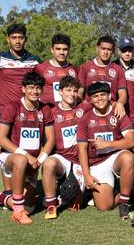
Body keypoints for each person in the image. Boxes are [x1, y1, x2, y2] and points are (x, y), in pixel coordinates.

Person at [0, 72, 55, 225]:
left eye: (38, 88)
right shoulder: (13, 106)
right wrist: (27, 155)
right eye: (31, 88)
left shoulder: (44, 110)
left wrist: (40, 159)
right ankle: (18, 212)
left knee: (30, 207)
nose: (35, 91)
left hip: (32, 162)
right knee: (20, 160)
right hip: (10, 157)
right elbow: (0, 138)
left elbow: (51, 139)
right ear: (23, 89)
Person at [76, 82, 134, 219]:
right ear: (90, 99)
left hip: (115, 157)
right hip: (97, 163)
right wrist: (87, 176)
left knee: (128, 157)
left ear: (109, 96)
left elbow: (131, 141)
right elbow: (82, 149)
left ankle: (124, 203)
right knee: (104, 207)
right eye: (95, 96)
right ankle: (122, 191)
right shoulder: (85, 119)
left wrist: (108, 144)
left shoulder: (118, 113)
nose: (100, 98)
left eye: (103, 95)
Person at [40, 76, 87, 219]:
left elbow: (103, 103)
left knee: (75, 205)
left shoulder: (84, 107)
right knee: (48, 163)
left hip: (80, 160)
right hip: (61, 157)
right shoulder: (51, 111)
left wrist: (118, 104)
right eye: (68, 90)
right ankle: (51, 204)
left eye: (74, 91)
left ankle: (64, 194)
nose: (72, 94)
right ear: (60, 91)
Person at [0, 23, 42, 113]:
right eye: (14, 37)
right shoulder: (0, 58)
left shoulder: (35, 60)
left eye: (21, 37)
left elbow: (41, 85)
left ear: (26, 39)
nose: (17, 41)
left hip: (28, 111)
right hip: (4, 111)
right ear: (8, 39)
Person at [79, 36, 128, 118]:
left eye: (109, 49)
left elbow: (123, 94)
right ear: (97, 48)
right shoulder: (85, 67)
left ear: (112, 51)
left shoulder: (118, 69)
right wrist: (81, 101)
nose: (106, 52)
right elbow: (79, 91)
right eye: (103, 48)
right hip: (89, 111)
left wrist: (119, 104)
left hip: (111, 110)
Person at [35, 33, 79, 106]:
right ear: (52, 49)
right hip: (48, 113)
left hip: (69, 113)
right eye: (58, 49)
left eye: (65, 49)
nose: (61, 52)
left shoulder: (74, 69)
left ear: (69, 50)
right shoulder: (40, 68)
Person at [115, 37, 134, 119]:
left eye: (130, 50)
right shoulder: (113, 66)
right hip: (116, 113)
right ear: (119, 51)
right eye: (124, 50)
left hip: (133, 114)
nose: (127, 53)